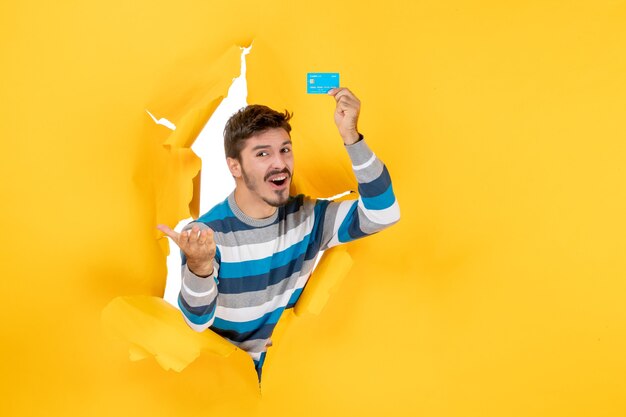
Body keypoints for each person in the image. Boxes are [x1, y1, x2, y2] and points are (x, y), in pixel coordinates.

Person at [157, 87, 400, 380]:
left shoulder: (308, 218)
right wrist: (200, 267)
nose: (280, 163)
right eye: (263, 153)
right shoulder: (206, 235)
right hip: (227, 384)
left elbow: (383, 213)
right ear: (235, 166)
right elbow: (197, 323)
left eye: (285, 149)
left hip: (287, 378)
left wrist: (352, 136)